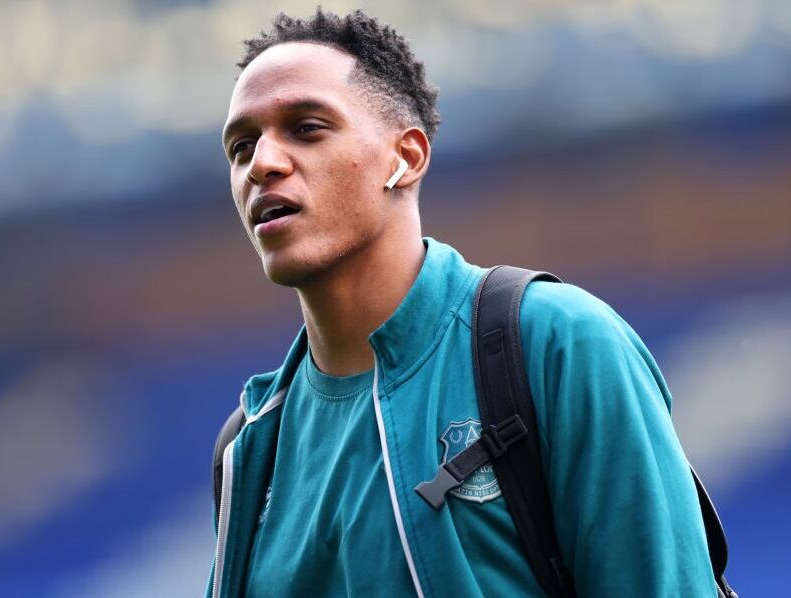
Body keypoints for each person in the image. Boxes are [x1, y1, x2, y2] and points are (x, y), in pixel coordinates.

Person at [209, 8, 717, 598]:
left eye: (307, 128)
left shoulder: (559, 343)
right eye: (242, 147)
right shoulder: (249, 444)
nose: (262, 165)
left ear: (408, 158)